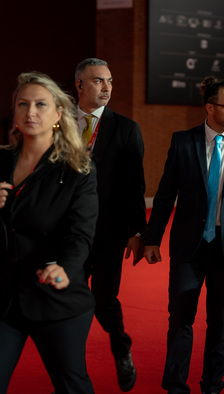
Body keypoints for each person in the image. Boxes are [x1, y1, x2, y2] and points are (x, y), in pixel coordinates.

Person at [143, 79, 224, 394]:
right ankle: (175, 385)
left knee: (220, 321)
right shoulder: (183, 142)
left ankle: (212, 385)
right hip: (189, 244)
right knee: (181, 318)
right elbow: (164, 194)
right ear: (210, 107)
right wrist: (152, 238)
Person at [0, 72, 98, 393]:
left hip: (55, 297)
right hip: (6, 299)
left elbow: (81, 233)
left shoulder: (76, 169)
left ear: (58, 114)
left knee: (72, 386)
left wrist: (65, 268)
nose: (31, 112)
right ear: (14, 113)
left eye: (41, 104)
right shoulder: (0, 162)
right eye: (23, 104)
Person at [75, 58, 147, 392]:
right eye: (98, 81)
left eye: (109, 81)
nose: (106, 88)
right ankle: (70, 375)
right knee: (67, 303)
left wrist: (136, 231)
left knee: (104, 299)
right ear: (79, 85)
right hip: (66, 234)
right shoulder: (57, 123)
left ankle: (121, 348)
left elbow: (135, 186)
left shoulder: (126, 128)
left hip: (107, 232)